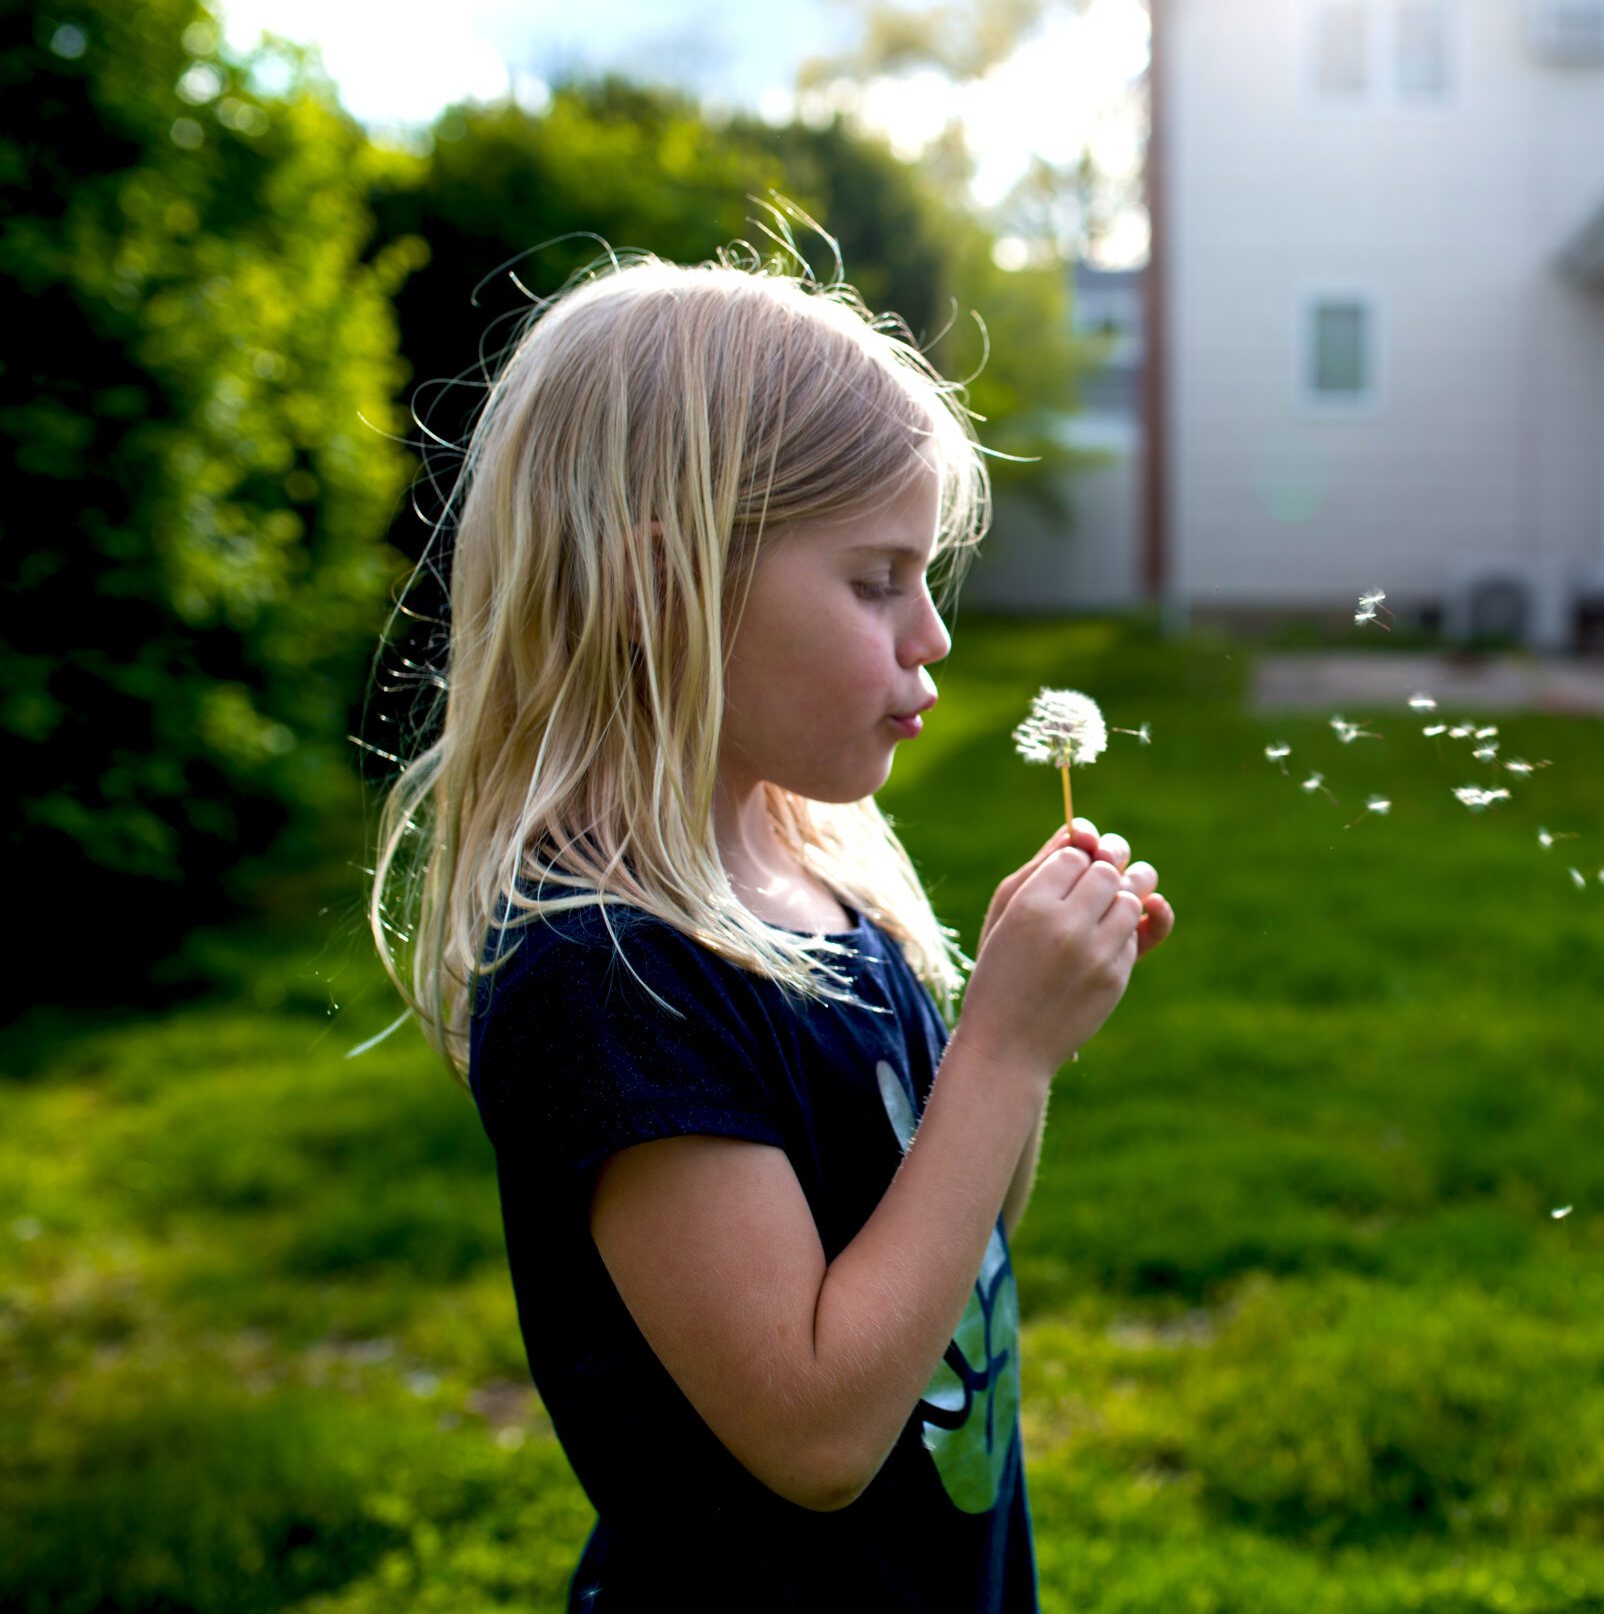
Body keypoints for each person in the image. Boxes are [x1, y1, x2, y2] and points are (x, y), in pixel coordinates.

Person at [364, 227, 1174, 1611]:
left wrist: (1005, 1030)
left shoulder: (819, 871)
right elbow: (815, 1429)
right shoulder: (607, 967)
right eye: (874, 580)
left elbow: (961, 1230)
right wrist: (1006, 1053)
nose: (933, 634)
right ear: (659, 585)